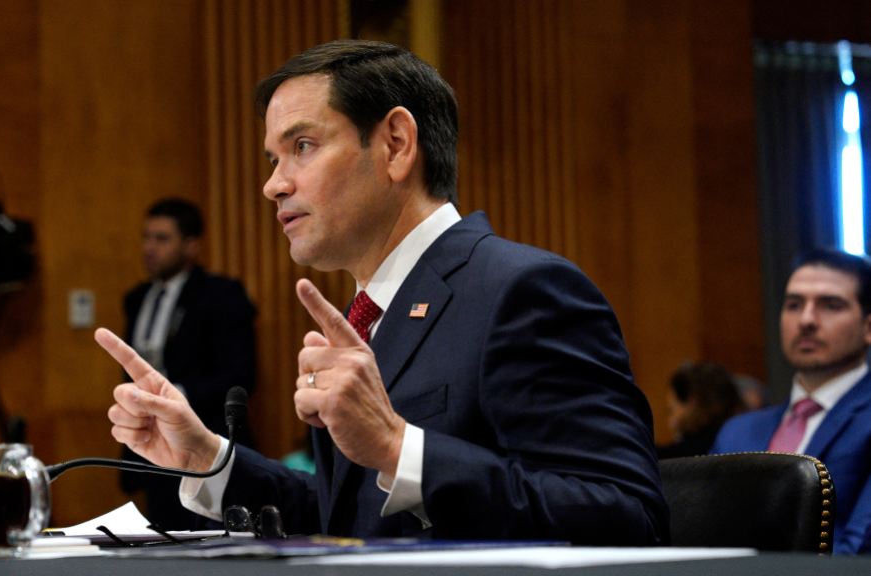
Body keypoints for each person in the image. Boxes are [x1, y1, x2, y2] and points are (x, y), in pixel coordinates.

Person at [98, 40, 668, 544]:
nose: (273, 184)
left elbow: (627, 517)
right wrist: (208, 459)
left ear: (396, 145)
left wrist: (399, 447)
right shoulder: (366, 313)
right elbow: (347, 521)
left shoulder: (522, 291)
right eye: (274, 158)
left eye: (303, 145)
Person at [710, 248, 871, 554]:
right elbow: (700, 535)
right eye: (794, 305)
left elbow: (860, 551)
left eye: (831, 305)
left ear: (868, 327)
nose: (807, 320)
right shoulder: (736, 432)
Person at [118, 198, 256, 530]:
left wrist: (173, 396)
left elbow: (239, 376)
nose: (149, 247)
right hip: (152, 452)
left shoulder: (220, 296)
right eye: (146, 237)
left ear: (191, 245)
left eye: (162, 239)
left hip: (206, 443)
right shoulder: (136, 298)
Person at [657, 361, 745, 459]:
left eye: (672, 410)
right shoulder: (744, 438)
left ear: (691, 402)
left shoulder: (693, 452)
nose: (670, 422)